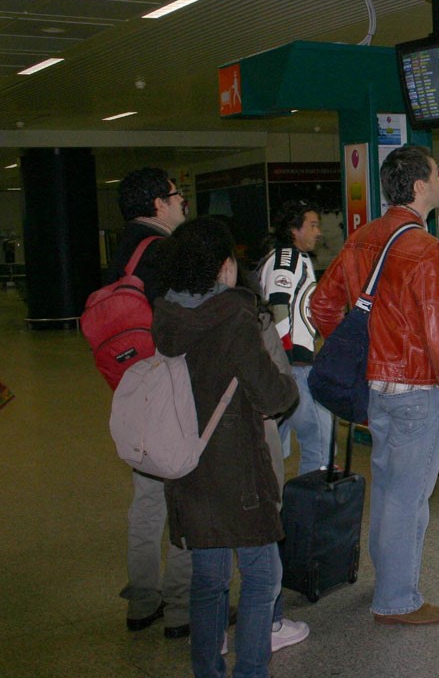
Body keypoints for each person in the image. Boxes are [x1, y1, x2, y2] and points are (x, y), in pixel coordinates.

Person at [311, 145, 439, 625]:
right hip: (417, 388)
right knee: (409, 495)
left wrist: (365, 349)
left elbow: (322, 307)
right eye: (436, 176)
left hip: (376, 388)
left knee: (391, 487)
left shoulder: (362, 239)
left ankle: (390, 581)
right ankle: (398, 599)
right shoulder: (426, 248)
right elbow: (438, 332)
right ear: (419, 187)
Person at [153, 217, 300, 678]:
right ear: (223, 267)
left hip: (188, 467)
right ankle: (251, 670)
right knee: (260, 577)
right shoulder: (234, 319)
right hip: (238, 472)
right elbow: (276, 396)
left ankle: (207, 670)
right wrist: (281, 382)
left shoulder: (167, 318)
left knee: (209, 580)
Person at [111, 167, 191, 637]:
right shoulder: (162, 252)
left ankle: (142, 600)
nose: (183, 203)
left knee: (146, 497)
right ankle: (182, 607)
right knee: (181, 493)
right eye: (178, 195)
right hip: (168, 390)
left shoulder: (122, 250)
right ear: (159, 203)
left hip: (131, 387)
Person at [258, 200, 330, 474]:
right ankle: (312, 508)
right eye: (312, 225)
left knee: (276, 443)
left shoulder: (294, 258)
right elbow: (278, 305)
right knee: (319, 441)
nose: (318, 232)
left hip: (291, 363)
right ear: (293, 229)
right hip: (294, 366)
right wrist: (286, 360)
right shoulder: (286, 258)